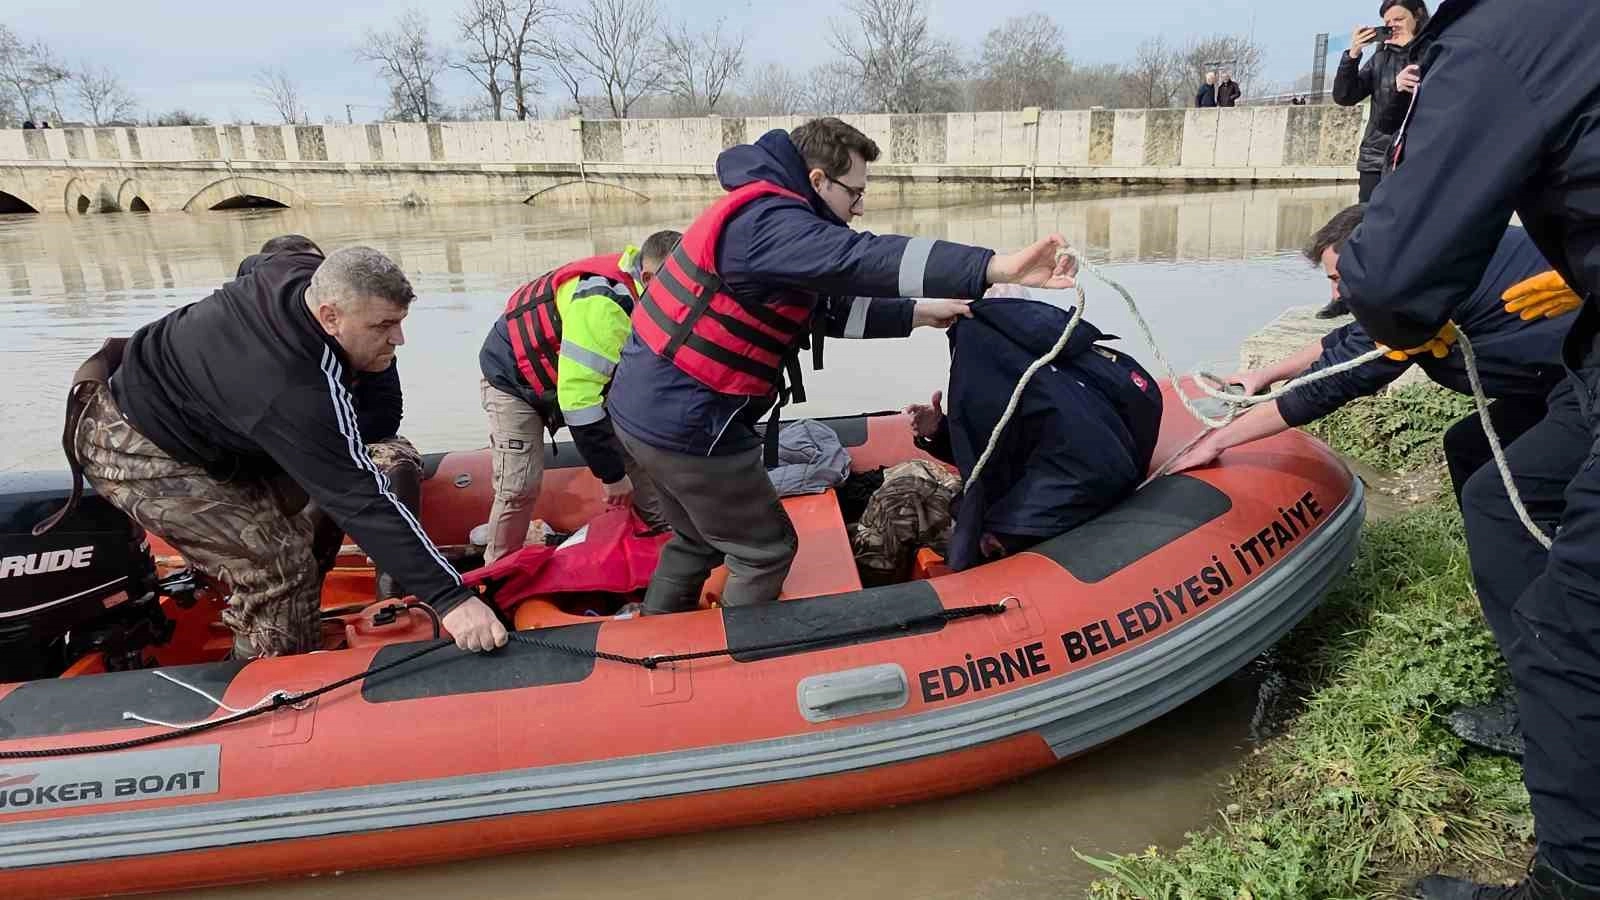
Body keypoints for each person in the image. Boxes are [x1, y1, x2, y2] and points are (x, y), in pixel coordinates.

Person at [1330, 1, 1600, 895]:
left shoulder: (1500, 36)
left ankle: (1572, 878)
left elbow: (1391, 285)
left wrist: (1378, 298)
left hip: (1570, 366)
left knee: (1572, 630)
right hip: (1583, 353)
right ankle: (1544, 702)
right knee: (1496, 491)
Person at [605, 116, 1077, 615]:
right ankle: (732, 653)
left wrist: (919, 313)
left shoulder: (767, 218)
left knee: (697, 540)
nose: (859, 207)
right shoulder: (769, 225)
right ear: (818, 180)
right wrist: (994, 267)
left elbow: (826, 309)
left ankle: (660, 630)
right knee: (764, 551)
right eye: (854, 193)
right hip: (688, 424)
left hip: (642, 411)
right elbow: (860, 259)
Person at [65, 246, 506, 657]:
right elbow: (358, 496)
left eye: (400, 321)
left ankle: (296, 629)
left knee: (304, 528)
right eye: (382, 326)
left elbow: (254, 266)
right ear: (329, 316)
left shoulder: (296, 272)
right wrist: (451, 598)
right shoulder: (295, 390)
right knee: (278, 567)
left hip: (190, 414)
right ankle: (274, 686)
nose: (399, 338)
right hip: (133, 446)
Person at [1168, 204, 1569, 503]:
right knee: (1469, 447)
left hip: (1580, 379)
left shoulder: (1417, 293)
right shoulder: (1432, 256)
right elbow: (1350, 340)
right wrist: (1266, 374)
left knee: (1491, 496)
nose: (1335, 294)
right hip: (1556, 375)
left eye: (1339, 278)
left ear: (1371, 260)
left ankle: (1541, 564)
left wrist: (1217, 443)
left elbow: (1331, 384)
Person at [905, 297, 1163, 570]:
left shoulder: (1038, 385)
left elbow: (1089, 467)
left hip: (1051, 511)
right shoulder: (1066, 369)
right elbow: (1006, 445)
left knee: (902, 496)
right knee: (910, 479)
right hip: (1048, 489)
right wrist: (940, 430)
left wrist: (1005, 531)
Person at [236, 235, 423, 602]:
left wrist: (331, 441)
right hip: (270, 452)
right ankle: (295, 594)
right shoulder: (251, 338)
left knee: (395, 466)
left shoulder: (365, 334)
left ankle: (393, 597)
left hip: (348, 438)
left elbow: (386, 413)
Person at [476, 232, 679, 564]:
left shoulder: (653, 296)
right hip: (514, 379)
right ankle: (497, 569)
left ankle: (664, 536)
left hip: (575, 376)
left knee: (637, 446)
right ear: (648, 278)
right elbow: (579, 403)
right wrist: (612, 477)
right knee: (519, 486)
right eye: (679, 286)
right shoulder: (606, 307)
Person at [1331, 0, 1430, 230]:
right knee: (1368, 227)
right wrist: (1353, 54)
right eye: (1387, 22)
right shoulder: (1380, 59)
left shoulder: (1433, 53)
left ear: (1417, 16)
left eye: (1399, 19)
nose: (1392, 25)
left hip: (1415, 158)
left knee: (1412, 226)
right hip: (1375, 158)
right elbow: (1344, 96)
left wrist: (1411, 54)